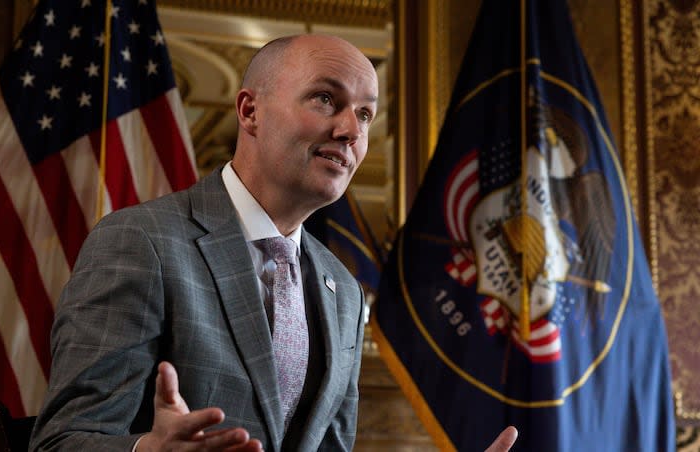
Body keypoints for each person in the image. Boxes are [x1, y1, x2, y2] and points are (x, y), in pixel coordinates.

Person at [29, 34, 518, 452]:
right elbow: (63, 440)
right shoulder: (141, 242)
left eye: (366, 115)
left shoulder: (343, 291)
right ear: (249, 111)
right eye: (326, 99)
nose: (351, 130)